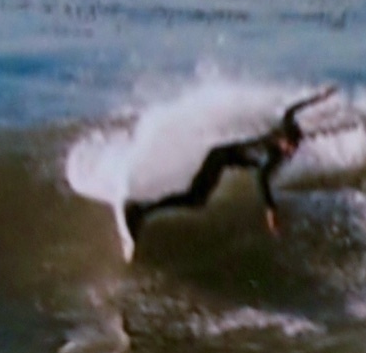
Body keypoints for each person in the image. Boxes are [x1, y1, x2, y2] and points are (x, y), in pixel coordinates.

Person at [124, 87, 337, 241]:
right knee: (195, 199)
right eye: (291, 146)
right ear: (283, 141)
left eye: (296, 146)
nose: (293, 150)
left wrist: (319, 98)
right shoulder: (273, 153)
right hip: (218, 158)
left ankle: (142, 210)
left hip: (220, 155)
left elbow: (290, 111)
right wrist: (271, 211)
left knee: (194, 198)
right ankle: (140, 211)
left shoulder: (282, 133)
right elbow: (262, 178)